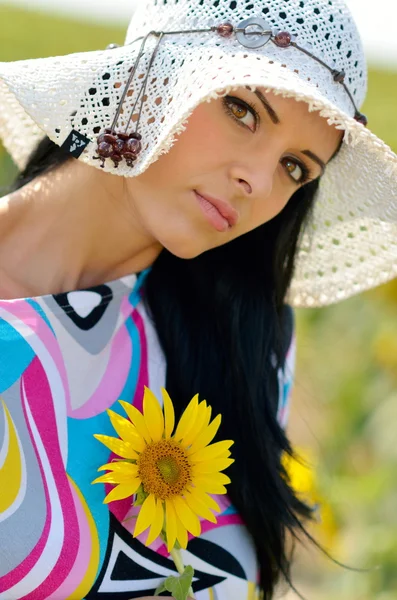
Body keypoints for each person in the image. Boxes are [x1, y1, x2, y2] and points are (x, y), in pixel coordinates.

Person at [0, 0, 396, 598]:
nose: (259, 184)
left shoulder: (247, 339)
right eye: (242, 110)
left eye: (295, 167)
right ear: (151, 74)